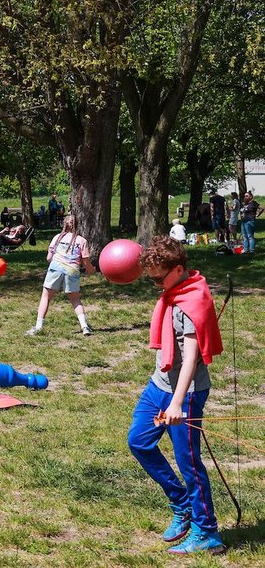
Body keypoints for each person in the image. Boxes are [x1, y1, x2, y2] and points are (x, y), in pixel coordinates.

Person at [129, 236, 224, 555]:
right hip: (160, 384)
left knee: (190, 464)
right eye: (151, 278)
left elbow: (191, 358)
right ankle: (181, 503)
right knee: (139, 441)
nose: (155, 284)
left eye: (158, 278)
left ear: (178, 269)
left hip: (185, 392)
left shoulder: (190, 301)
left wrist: (177, 403)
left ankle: (207, 531)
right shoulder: (174, 292)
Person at [26, 214, 95, 336]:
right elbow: (85, 262)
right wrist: (91, 270)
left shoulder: (57, 238)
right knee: (75, 299)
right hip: (72, 271)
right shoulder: (82, 241)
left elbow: (49, 258)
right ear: (78, 225)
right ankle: (84, 327)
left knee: (46, 297)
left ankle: (38, 327)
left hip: (55, 269)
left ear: (64, 225)